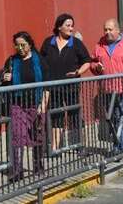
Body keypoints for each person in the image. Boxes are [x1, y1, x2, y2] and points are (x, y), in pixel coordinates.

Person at [90, 19, 123, 153]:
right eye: (105, 29)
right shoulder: (100, 45)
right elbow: (92, 62)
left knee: (121, 116)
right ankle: (122, 144)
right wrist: (96, 66)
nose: (107, 32)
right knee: (113, 118)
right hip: (108, 89)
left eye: (110, 29)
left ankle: (122, 147)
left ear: (117, 30)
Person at [0, 31, 49, 179]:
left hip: (36, 103)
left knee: (37, 136)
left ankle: (38, 167)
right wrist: (5, 78)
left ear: (30, 44)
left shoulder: (39, 59)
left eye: (23, 45)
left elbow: (47, 84)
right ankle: (17, 170)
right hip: (18, 105)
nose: (20, 48)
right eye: (17, 45)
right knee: (17, 137)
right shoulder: (12, 60)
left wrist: (43, 105)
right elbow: (4, 81)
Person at [40, 13, 91, 152]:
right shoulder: (48, 42)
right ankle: (56, 148)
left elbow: (87, 61)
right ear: (59, 27)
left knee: (75, 115)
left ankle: (81, 145)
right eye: (68, 25)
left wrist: (78, 72)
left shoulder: (76, 43)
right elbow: (41, 62)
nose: (71, 28)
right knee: (56, 117)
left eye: (72, 25)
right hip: (53, 87)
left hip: (71, 87)